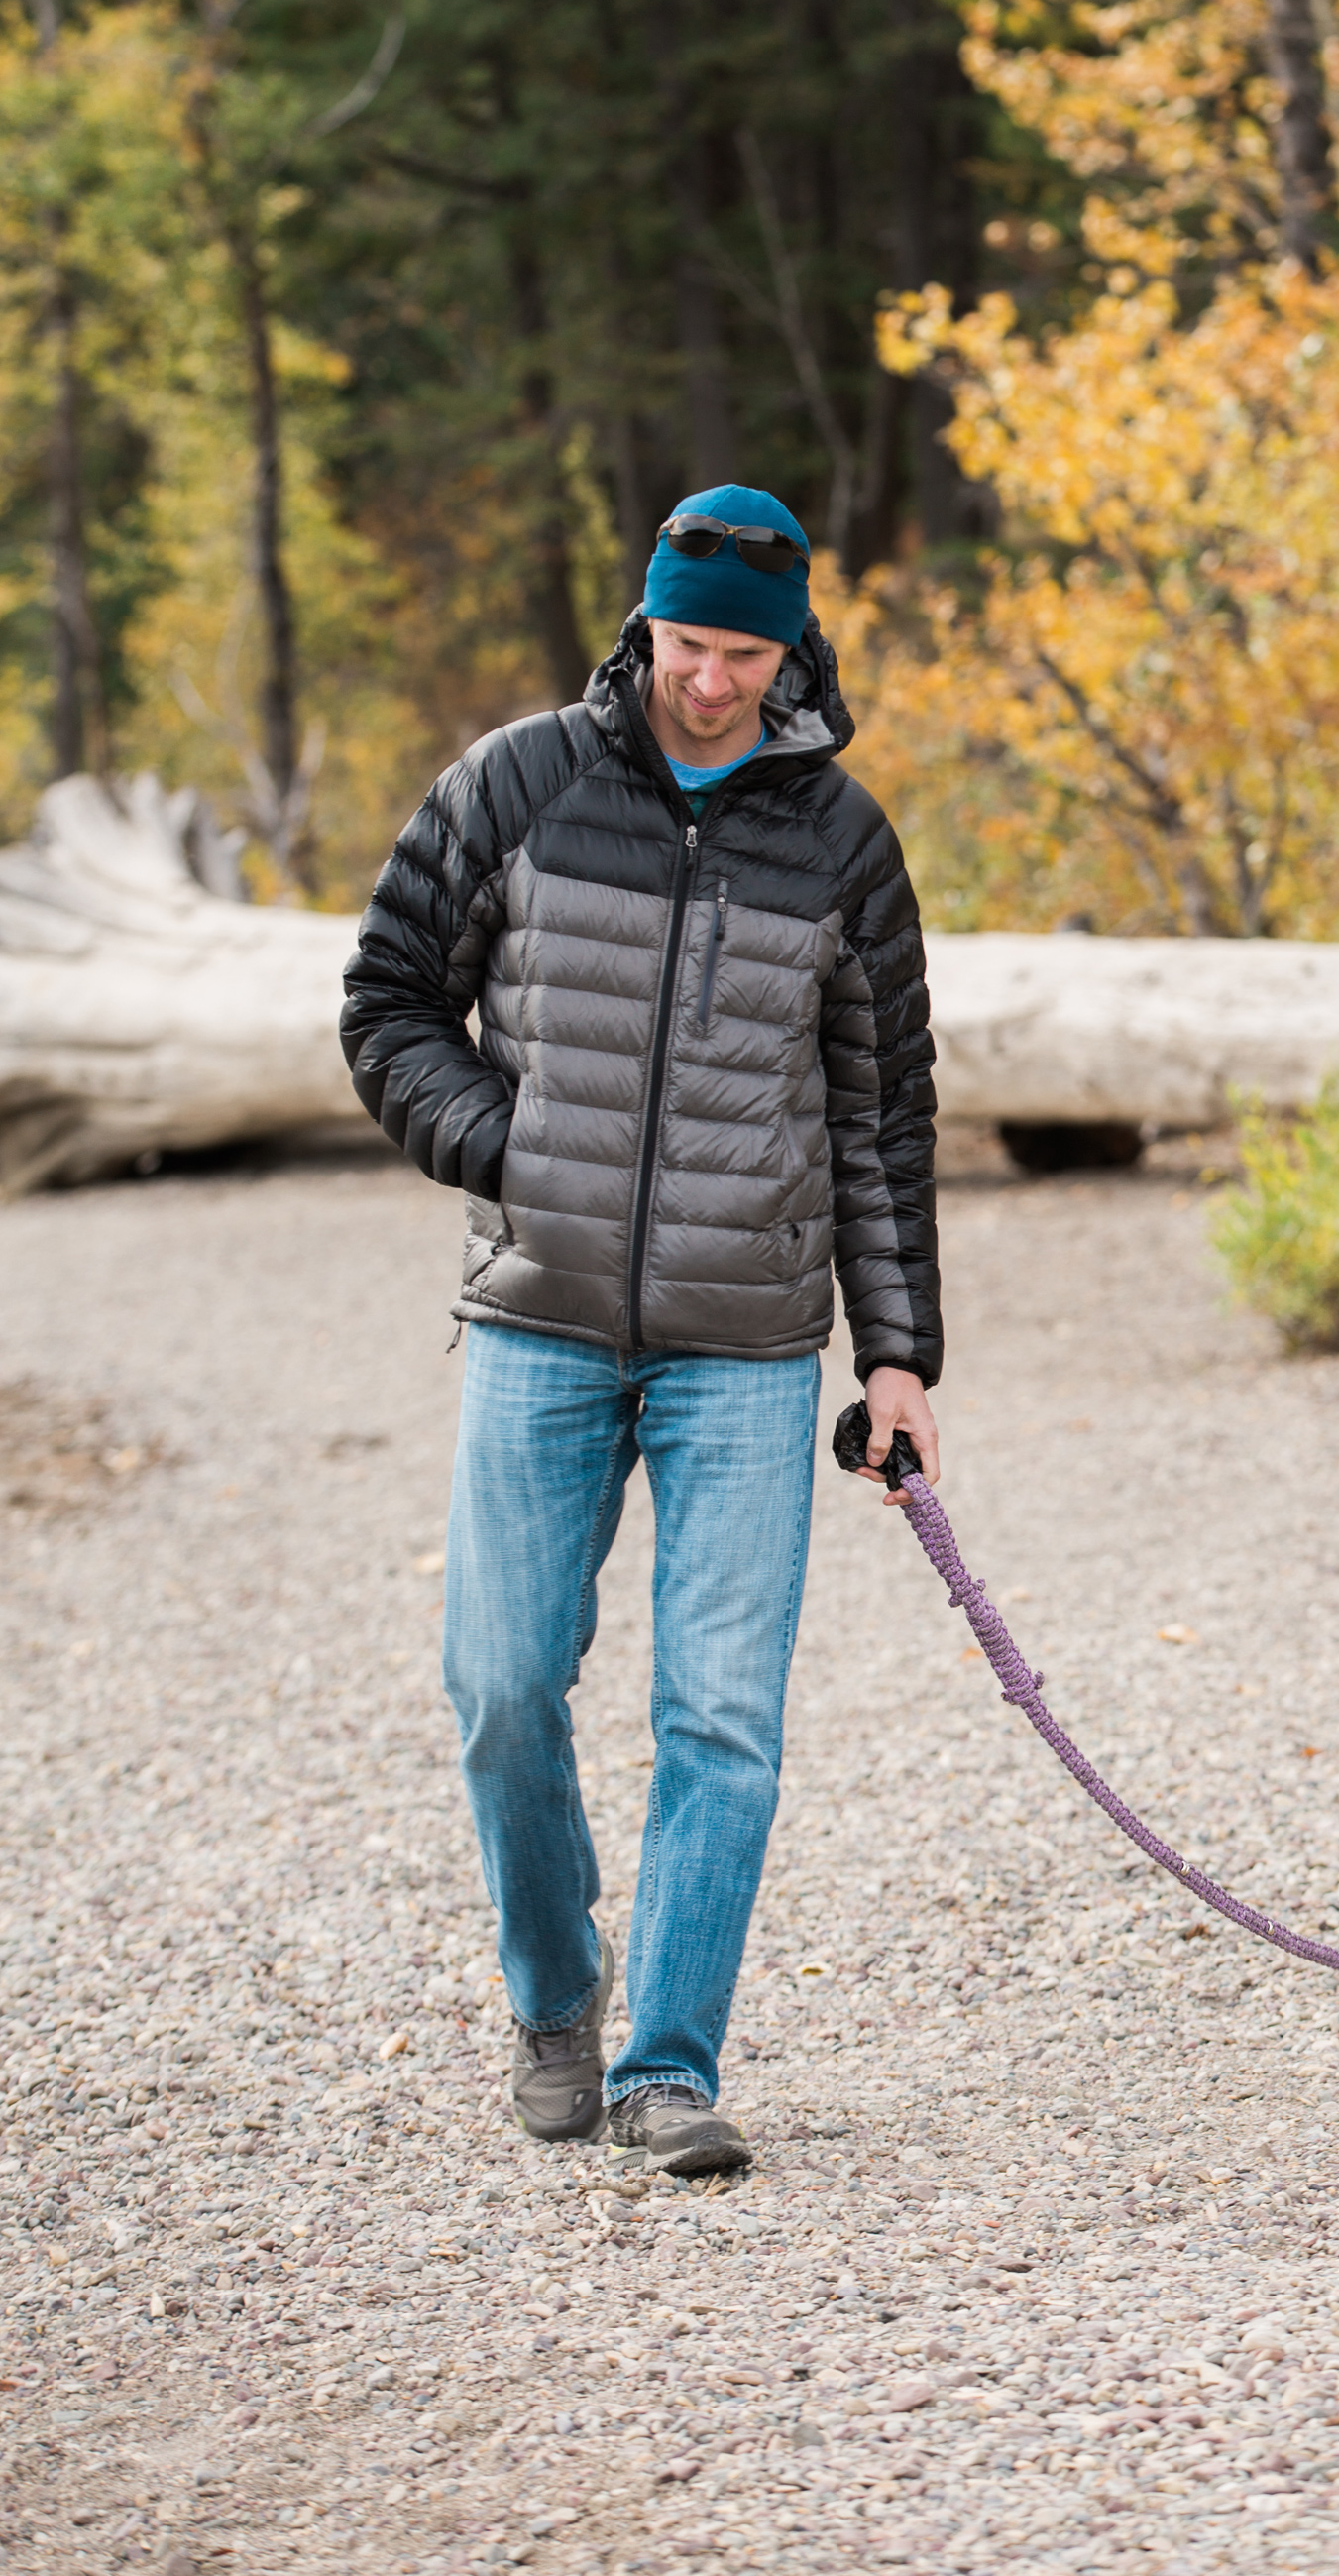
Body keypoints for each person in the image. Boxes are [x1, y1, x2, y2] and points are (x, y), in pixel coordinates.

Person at [340, 484, 941, 2175]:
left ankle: (668, 2066)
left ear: (791, 644)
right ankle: (557, 1998)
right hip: (536, 1319)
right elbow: (387, 999)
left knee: (724, 1718)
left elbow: (885, 1118)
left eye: (745, 652)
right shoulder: (520, 782)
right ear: (644, 624)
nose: (711, 681)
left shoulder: (842, 842)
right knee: (501, 1686)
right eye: (688, 644)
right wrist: (504, 1146)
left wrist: (897, 1356)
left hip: (748, 1343)